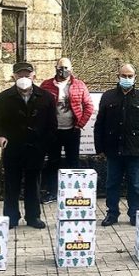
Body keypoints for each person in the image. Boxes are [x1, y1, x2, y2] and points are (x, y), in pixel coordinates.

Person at [0, 62, 57, 229]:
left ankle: (33, 216)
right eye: (20, 75)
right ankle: (11, 217)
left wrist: (46, 146)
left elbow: (51, 125)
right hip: (13, 148)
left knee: (33, 184)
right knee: (12, 184)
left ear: (34, 75)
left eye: (27, 74)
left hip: (36, 148)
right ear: (14, 76)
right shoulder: (2, 98)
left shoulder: (47, 97)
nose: (24, 78)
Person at [94, 63, 139, 226]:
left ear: (135, 78)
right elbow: (99, 124)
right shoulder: (108, 96)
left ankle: (135, 214)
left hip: (134, 150)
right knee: (112, 183)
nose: (127, 79)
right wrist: (99, 148)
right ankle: (112, 214)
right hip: (113, 149)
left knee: (135, 184)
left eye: (130, 76)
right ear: (118, 76)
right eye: (124, 76)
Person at [40, 57, 94, 203]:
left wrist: (80, 124)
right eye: (60, 67)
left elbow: (89, 106)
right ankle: (52, 192)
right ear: (55, 67)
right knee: (52, 162)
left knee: (73, 162)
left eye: (66, 67)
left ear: (71, 69)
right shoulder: (46, 85)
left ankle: (72, 193)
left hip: (72, 130)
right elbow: (39, 106)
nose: (63, 70)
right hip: (53, 130)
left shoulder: (79, 85)